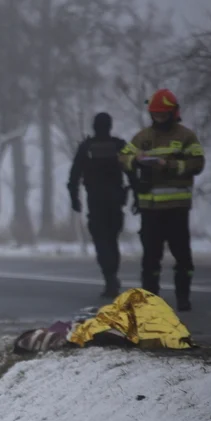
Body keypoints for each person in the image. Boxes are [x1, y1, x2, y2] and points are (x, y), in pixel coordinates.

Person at [118, 88, 206, 312]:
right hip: (151, 208)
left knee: (183, 258)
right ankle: (150, 301)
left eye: (162, 115)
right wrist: (135, 161)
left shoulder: (186, 136)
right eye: (155, 115)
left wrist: (171, 165)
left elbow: (198, 163)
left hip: (177, 208)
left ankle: (183, 298)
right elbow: (123, 156)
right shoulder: (143, 137)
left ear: (173, 113)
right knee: (150, 259)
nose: (159, 119)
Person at [68, 112, 129, 298]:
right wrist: (137, 195)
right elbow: (133, 172)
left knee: (102, 242)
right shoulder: (119, 146)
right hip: (116, 200)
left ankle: (109, 277)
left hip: (96, 201)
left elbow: (74, 176)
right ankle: (112, 277)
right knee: (112, 241)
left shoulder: (87, 147)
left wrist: (75, 198)